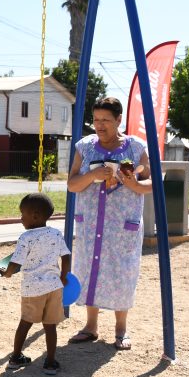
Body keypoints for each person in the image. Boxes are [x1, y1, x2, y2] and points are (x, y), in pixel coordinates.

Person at [66, 97, 152, 351]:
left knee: (122, 272)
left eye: (105, 120)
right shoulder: (85, 147)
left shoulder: (136, 148)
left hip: (121, 226)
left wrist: (134, 184)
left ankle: (121, 329)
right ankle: (90, 326)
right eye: (96, 120)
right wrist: (92, 175)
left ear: (118, 120)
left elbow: (152, 182)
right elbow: (72, 184)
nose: (99, 125)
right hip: (91, 223)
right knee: (89, 269)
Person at [0, 193, 71, 375]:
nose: (21, 218)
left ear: (36, 216)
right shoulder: (55, 233)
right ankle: (50, 362)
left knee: (25, 323)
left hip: (32, 289)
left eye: (23, 214)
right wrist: (63, 276)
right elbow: (66, 255)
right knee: (50, 326)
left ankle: (15, 358)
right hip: (54, 288)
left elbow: (16, 262)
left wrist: (7, 273)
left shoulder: (26, 237)